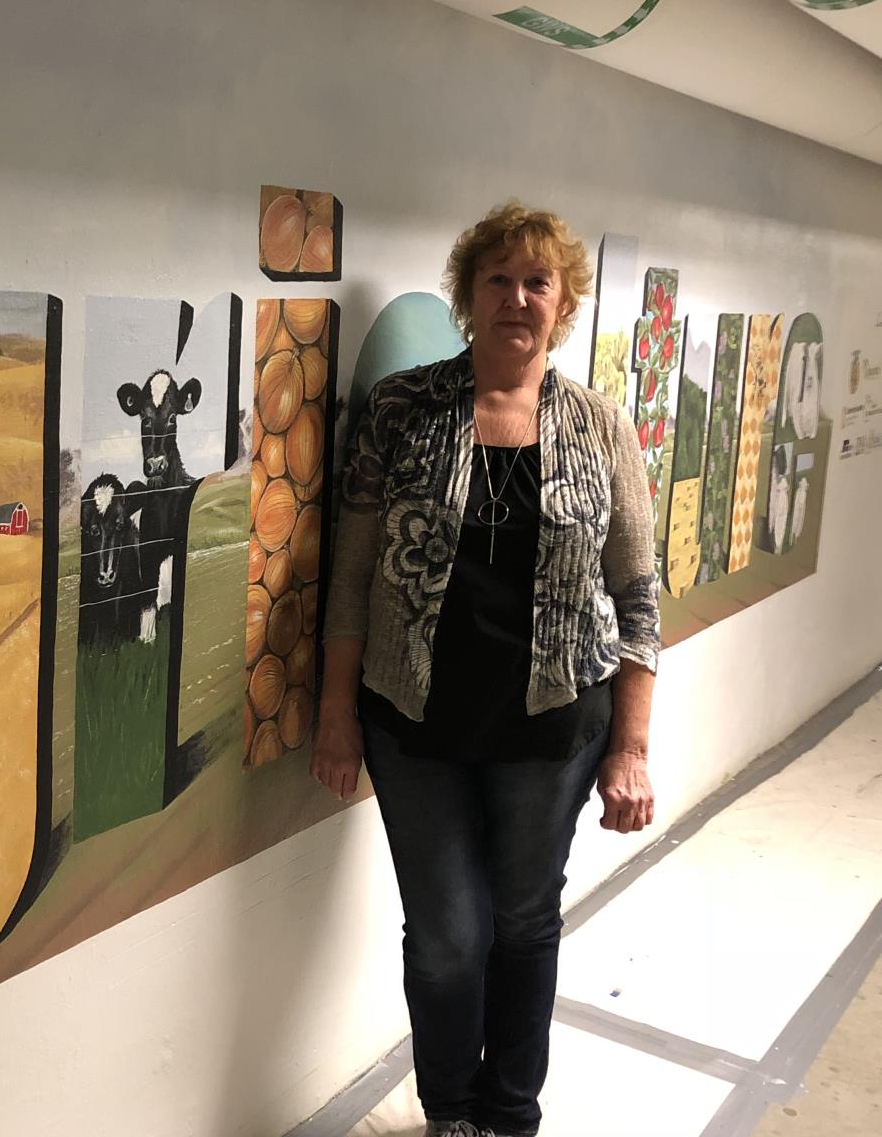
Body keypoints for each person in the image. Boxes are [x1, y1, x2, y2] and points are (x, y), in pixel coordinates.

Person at [312, 203, 662, 1137]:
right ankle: (449, 1112)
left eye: (536, 282)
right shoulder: (403, 410)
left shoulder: (600, 426)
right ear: (467, 297)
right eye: (497, 280)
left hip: (551, 732)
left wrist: (630, 748)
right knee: (444, 940)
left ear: (563, 302)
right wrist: (337, 714)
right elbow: (348, 580)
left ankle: (509, 1114)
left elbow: (637, 597)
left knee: (522, 924)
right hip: (413, 724)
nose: (517, 297)